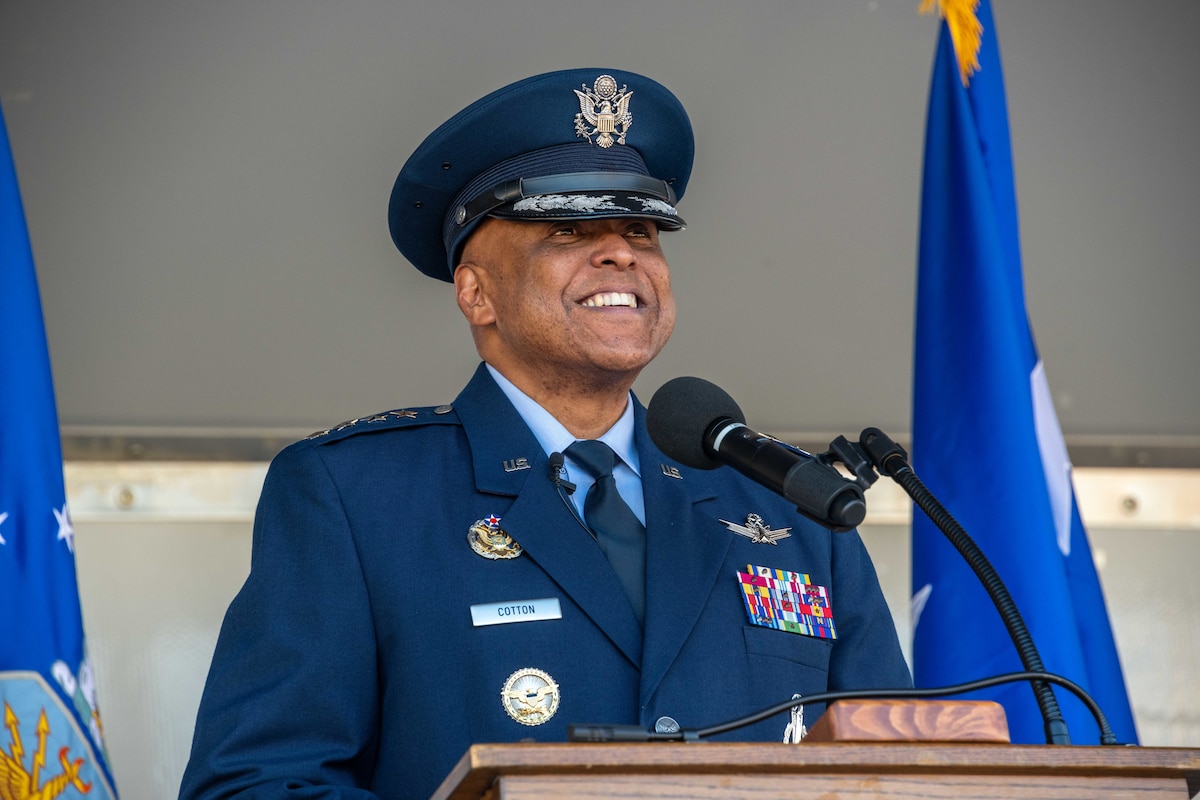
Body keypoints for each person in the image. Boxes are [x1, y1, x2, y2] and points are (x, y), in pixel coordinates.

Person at [179, 68, 911, 800]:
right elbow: (253, 784)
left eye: (641, 231)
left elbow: (899, 771)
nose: (622, 254)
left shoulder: (790, 507)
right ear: (477, 292)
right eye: (568, 229)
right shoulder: (356, 497)